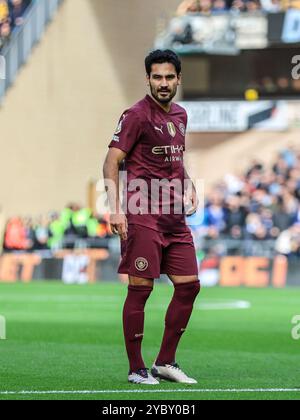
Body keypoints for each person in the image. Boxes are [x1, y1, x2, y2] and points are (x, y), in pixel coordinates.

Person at [103, 50, 201, 385]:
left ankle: (166, 362)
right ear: (147, 79)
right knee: (140, 289)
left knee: (189, 287)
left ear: (178, 79)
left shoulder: (181, 115)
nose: (163, 83)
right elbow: (111, 162)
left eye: (169, 77)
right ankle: (136, 368)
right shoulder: (135, 115)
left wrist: (189, 184)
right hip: (142, 212)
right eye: (156, 77)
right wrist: (115, 208)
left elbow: (175, 159)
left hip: (174, 216)